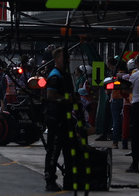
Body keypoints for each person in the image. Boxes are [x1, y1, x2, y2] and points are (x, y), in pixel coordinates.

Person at [44, 47, 91, 192]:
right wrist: (67, 99)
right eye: (66, 58)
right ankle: (50, 180)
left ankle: (70, 180)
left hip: (67, 119)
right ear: (57, 59)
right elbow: (50, 95)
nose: (69, 60)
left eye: (69, 58)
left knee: (70, 150)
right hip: (56, 120)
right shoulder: (55, 75)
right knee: (54, 150)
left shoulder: (65, 75)